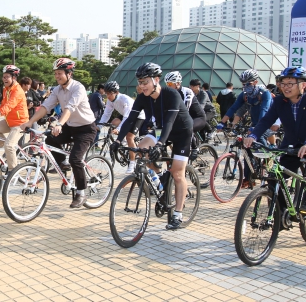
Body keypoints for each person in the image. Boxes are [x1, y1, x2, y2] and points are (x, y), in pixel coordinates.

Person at [244, 66, 306, 216]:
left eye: (290, 84)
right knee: (275, 176)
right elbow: (267, 120)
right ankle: (282, 213)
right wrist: (253, 136)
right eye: (283, 83)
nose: (285, 87)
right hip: (292, 144)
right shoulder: (280, 101)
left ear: (303, 85)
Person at [111, 62, 193, 230]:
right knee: (141, 150)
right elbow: (130, 120)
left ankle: (178, 214)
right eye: (140, 83)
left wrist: (161, 144)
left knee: (177, 173)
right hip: (161, 131)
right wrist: (118, 141)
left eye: (145, 82)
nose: (142, 86)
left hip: (181, 132)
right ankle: (160, 179)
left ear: (156, 80)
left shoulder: (172, 95)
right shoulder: (142, 98)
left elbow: (170, 122)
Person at [20, 58, 98, 209]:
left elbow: (70, 108)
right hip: (70, 126)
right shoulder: (57, 90)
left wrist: (60, 124)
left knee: (76, 158)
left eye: (60, 73)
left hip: (86, 128)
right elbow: (46, 106)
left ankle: (81, 192)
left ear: (69, 73)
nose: (57, 76)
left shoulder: (78, 88)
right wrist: (30, 122)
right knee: (50, 138)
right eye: (55, 73)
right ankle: (63, 163)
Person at [0, 65, 29, 173]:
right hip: (9, 121)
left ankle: (13, 171)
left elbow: (9, 106)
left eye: (7, 77)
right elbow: (3, 105)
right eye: (3, 77)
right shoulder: (6, 89)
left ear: (14, 78)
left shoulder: (18, 91)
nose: (4, 79)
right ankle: (9, 150)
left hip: (20, 123)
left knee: (9, 145)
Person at [98, 81, 146, 174]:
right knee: (113, 123)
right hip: (125, 115)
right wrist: (99, 126)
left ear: (116, 92)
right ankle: (123, 142)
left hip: (137, 116)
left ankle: (132, 163)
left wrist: (119, 129)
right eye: (106, 93)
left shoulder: (125, 100)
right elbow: (106, 114)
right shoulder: (110, 100)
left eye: (109, 94)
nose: (107, 96)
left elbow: (127, 119)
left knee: (129, 137)